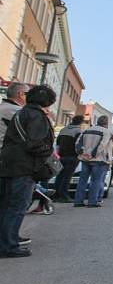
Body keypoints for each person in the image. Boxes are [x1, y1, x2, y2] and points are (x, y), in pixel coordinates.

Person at [0, 84, 57, 258]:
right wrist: (47, 152)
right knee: (17, 206)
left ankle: (6, 241)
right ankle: (9, 246)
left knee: (7, 205)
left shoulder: (21, 112)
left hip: (10, 164)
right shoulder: (36, 115)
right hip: (24, 166)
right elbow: (35, 143)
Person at [73, 115, 113, 208]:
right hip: (99, 159)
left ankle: (78, 201)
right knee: (96, 181)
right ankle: (92, 202)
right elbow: (102, 144)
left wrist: (82, 153)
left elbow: (77, 143)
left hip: (85, 159)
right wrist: (94, 154)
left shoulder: (87, 130)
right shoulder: (106, 132)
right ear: (106, 124)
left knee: (82, 180)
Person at [53, 115, 83, 202]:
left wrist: (58, 154)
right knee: (67, 177)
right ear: (80, 122)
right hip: (72, 157)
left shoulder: (63, 130)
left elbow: (58, 143)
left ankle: (56, 195)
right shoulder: (78, 131)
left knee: (59, 176)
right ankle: (64, 196)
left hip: (61, 156)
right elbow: (78, 145)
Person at [0, 83, 28, 150]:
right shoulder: (17, 111)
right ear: (21, 94)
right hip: (6, 153)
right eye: (29, 94)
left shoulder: (4, 106)